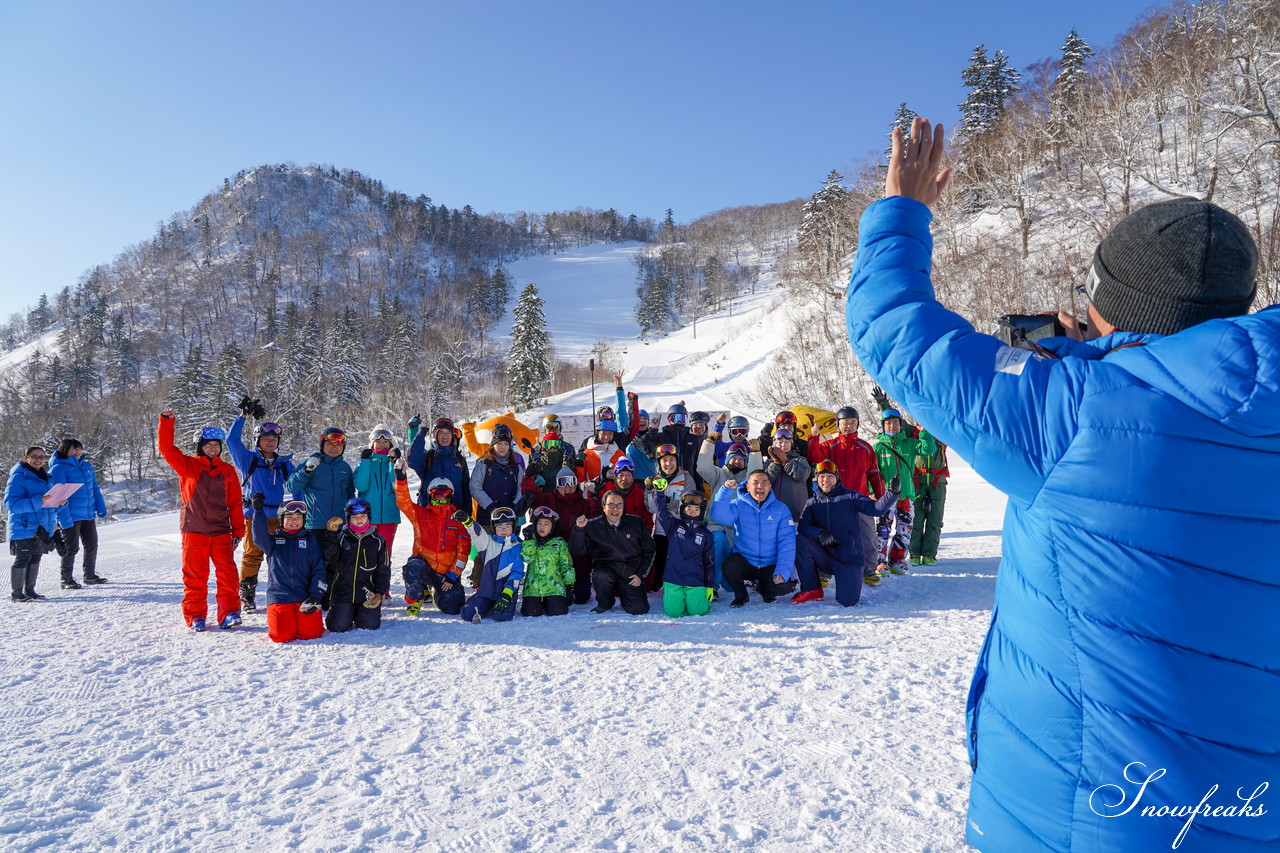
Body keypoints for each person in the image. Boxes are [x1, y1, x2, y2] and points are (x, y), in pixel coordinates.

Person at [847, 116, 1279, 852]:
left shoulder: (1076, 411)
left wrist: (903, 206)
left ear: (1115, 309)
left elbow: (890, 325)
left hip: (1082, 821)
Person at [157, 411, 246, 631]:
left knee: (228, 574)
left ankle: (229, 613)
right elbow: (167, 449)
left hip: (220, 531)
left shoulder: (227, 471)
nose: (213, 448)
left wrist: (238, 531)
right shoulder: (188, 466)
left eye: (216, 445)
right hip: (194, 530)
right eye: (208, 444)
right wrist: (167, 422)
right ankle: (195, 616)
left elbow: (235, 502)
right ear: (200, 446)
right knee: (195, 575)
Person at [793, 462, 899, 607]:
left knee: (847, 601)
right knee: (800, 541)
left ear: (836, 478)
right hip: (825, 557)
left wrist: (891, 494)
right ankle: (812, 589)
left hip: (849, 559)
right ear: (817, 479)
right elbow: (804, 526)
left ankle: (850, 580)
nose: (825, 480)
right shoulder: (812, 503)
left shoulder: (851, 497)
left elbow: (876, 509)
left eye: (830, 476)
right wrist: (819, 533)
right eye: (822, 476)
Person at [227, 399, 294, 613]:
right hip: (254, 516)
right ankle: (247, 596)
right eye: (266, 438)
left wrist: (299, 507)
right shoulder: (249, 460)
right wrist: (242, 417)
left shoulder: (284, 463)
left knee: (280, 555)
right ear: (258, 441)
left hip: (279, 516)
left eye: (274, 439)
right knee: (252, 554)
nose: (271, 442)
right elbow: (231, 441)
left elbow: (297, 484)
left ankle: (283, 593)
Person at [807, 406, 885, 586]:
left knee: (867, 537)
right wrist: (814, 437)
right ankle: (824, 573)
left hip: (860, 500)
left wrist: (879, 496)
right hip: (834, 501)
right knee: (829, 538)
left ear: (857, 424)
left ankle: (869, 571)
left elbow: (874, 473)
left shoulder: (865, 447)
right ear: (838, 425)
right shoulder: (830, 445)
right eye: (845, 423)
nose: (849, 426)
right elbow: (814, 455)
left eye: (852, 422)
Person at [285, 427, 356, 603]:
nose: (334, 448)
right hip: (315, 524)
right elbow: (292, 487)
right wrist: (307, 470)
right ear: (322, 444)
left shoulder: (345, 467)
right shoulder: (312, 462)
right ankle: (312, 596)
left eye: (339, 445)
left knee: (335, 562)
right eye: (330, 444)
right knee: (315, 564)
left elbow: (349, 494)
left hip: (339, 525)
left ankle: (329, 596)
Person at [708, 470, 797, 608]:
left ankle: (765, 590)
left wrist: (782, 571)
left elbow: (787, 543)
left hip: (769, 563)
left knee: (783, 586)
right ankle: (741, 596)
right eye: (755, 482)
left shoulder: (781, 509)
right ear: (748, 487)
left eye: (764, 482)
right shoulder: (738, 504)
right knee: (729, 567)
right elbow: (720, 517)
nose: (760, 486)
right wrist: (725, 492)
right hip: (746, 561)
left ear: (769, 486)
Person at [250, 496, 326, 643]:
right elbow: (259, 538)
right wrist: (258, 512)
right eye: (289, 517)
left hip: (305, 597)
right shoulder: (273, 541)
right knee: (281, 636)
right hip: (279, 597)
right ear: (281, 519)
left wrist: (316, 596)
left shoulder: (310, 541)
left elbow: (319, 570)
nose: (294, 520)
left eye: (298, 517)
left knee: (312, 634)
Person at [396, 467, 470, 617]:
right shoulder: (421, 515)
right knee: (413, 567)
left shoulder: (457, 520)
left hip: (446, 573)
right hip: (424, 567)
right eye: (437, 494)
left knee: (453, 608)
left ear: (451, 495)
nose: (441, 498)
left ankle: (438, 593)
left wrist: (453, 574)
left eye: (445, 494)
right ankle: (415, 599)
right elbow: (403, 502)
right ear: (430, 495)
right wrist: (401, 480)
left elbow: (464, 551)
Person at [871, 409, 936, 575]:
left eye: (895, 423)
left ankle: (896, 561)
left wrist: (924, 432)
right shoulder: (878, 447)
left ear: (900, 425)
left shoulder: (909, 443)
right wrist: (872, 491)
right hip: (886, 497)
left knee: (905, 531)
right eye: (888, 424)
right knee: (883, 530)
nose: (892, 426)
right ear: (883, 426)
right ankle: (880, 562)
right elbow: (870, 471)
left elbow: (928, 449)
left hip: (906, 495)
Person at [569, 490, 655, 615]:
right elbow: (578, 550)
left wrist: (640, 575)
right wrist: (579, 529)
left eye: (619, 505)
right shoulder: (593, 525)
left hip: (630, 573)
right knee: (600, 575)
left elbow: (649, 551)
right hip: (606, 570)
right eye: (611, 505)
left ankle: (628, 598)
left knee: (639, 609)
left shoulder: (637, 523)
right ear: (604, 507)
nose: (615, 509)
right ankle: (605, 602)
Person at [527, 466, 598, 605]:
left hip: (578, 556)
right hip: (553, 557)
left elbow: (596, 516)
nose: (567, 486)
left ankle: (577, 583)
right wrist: (529, 479)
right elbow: (533, 497)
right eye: (562, 482)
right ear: (556, 485)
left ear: (576, 483)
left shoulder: (584, 503)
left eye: (570, 482)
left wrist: (595, 496)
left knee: (581, 598)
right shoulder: (548, 499)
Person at [697, 439, 760, 592]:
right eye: (734, 458)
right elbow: (702, 467)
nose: (737, 462)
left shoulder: (747, 480)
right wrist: (709, 443)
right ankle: (711, 586)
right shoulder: (718, 474)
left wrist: (756, 453)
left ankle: (732, 581)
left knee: (731, 586)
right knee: (718, 541)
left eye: (741, 459)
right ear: (727, 459)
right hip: (717, 526)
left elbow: (756, 475)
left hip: (738, 530)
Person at [322, 497, 390, 633]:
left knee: (369, 625)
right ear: (348, 518)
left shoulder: (377, 540)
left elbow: (383, 569)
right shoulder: (342, 537)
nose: (359, 519)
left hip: (367, 593)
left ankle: (360, 612)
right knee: (338, 627)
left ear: (368, 516)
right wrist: (331, 535)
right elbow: (330, 558)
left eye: (363, 516)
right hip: (343, 592)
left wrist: (380, 593)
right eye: (355, 517)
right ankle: (343, 611)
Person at [49, 438, 109, 589]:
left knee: (91, 545)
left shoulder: (87, 466)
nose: (77, 452)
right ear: (64, 450)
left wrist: (100, 507)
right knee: (71, 547)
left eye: (79, 449)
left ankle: (90, 575)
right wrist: (63, 518)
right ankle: (66, 579)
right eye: (73, 449)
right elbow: (58, 496)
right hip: (70, 515)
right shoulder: (58, 469)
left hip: (88, 514)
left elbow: (94, 488)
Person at [6, 446, 61, 601]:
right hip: (24, 525)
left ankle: (30, 591)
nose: (38, 459)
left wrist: (59, 501)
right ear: (26, 457)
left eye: (41, 457)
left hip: (42, 526)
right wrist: (39, 500)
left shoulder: (46, 476)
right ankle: (17, 594)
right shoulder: (18, 477)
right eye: (34, 456)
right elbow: (12, 504)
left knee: (36, 558)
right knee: (23, 558)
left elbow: (47, 502)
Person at [456, 506, 524, 624]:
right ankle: (482, 602)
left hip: (505, 592)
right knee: (467, 614)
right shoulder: (487, 543)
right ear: (493, 527)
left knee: (502, 616)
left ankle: (502, 602)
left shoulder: (517, 546)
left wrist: (507, 594)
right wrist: (468, 521)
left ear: (513, 527)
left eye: (507, 527)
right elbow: (477, 533)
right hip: (486, 592)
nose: (503, 530)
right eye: (500, 527)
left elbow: (517, 573)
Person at [651, 492, 715, 618]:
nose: (692, 511)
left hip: (695, 580)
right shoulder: (674, 526)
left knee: (698, 611)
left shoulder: (706, 534)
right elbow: (661, 513)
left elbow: (710, 561)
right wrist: (659, 493)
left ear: (702, 511)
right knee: (673, 612)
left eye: (696, 509)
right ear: (682, 509)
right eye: (688, 508)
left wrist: (709, 585)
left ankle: (694, 600)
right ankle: (678, 599)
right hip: (673, 579)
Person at [642, 444, 695, 589]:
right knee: (659, 564)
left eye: (672, 459)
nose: (668, 464)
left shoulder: (686, 478)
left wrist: (668, 502)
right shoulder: (656, 479)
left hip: (680, 530)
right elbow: (652, 508)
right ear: (659, 462)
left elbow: (688, 507)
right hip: (661, 531)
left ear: (677, 461)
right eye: (664, 460)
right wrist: (648, 491)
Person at [519, 506, 575, 617]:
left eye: (546, 524)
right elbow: (527, 558)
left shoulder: (559, 543)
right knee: (530, 613)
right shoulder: (531, 540)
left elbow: (566, 566)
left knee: (558, 612)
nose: (542, 527)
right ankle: (538, 603)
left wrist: (569, 587)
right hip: (533, 588)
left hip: (554, 588)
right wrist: (529, 541)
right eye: (539, 523)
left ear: (552, 526)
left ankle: (550, 602)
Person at [353, 425, 402, 552]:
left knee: (385, 553)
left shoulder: (395, 462)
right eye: (378, 442)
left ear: (390, 444)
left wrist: (393, 463)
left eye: (386, 442)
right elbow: (361, 486)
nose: (382, 444)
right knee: (366, 554)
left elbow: (396, 485)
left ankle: (384, 573)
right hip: (367, 518)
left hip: (389, 516)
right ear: (372, 444)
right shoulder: (365, 462)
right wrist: (365, 462)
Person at [407, 417, 471, 512]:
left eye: (448, 433)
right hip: (429, 513)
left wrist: (467, 513)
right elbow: (413, 460)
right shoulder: (429, 457)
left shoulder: (459, 460)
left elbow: (466, 489)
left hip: (455, 513)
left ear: (452, 436)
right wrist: (420, 435)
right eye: (441, 433)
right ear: (436, 436)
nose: (445, 436)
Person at [470, 423, 526, 530]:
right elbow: (475, 487)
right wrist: (491, 507)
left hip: (509, 518)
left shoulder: (515, 467)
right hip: (487, 518)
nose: (502, 447)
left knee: (509, 546)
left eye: (506, 444)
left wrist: (514, 506)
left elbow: (521, 488)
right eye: (499, 443)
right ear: (493, 444)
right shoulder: (483, 464)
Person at [910, 434, 949, 566]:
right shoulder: (913, 431)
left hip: (937, 482)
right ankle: (914, 553)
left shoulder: (940, 432)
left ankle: (929, 554)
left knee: (935, 520)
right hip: (917, 481)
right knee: (916, 519)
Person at [762, 428, 811, 522]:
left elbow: (803, 475)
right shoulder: (769, 462)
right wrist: (776, 463)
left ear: (791, 444)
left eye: (787, 442)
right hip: (773, 512)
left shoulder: (800, 460)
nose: (783, 445)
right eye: (780, 442)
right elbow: (766, 481)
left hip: (795, 512)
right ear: (774, 444)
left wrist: (786, 462)